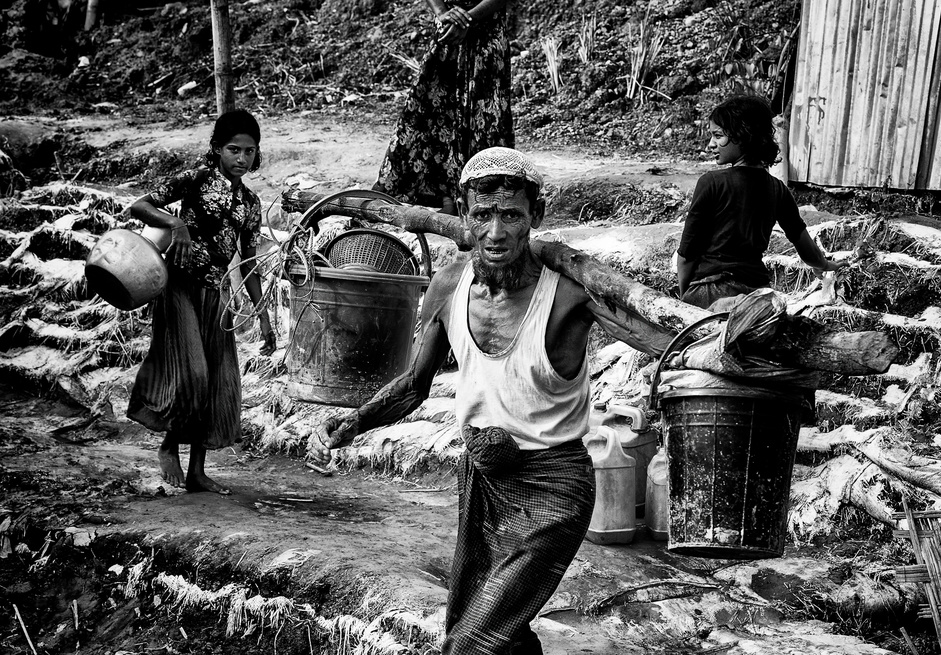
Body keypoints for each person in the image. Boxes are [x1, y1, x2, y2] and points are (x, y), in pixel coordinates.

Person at [310, 147, 662, 654]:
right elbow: (414, 384)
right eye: (482, 215)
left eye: (511, 216)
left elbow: (660, 342)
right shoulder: (450, 283)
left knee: (471, 644)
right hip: (482, 482)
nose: (496, 232)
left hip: (554, 489)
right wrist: (348, 426)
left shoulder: (567, 296)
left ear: (534, 218)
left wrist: (725, 344)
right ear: (464, 213)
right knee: (498, 632)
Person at [127, 109, 276, 495]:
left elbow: (248, 260)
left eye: (249, 151)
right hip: (179, 287)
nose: (241, 158)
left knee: (215, 382)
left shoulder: (250, 202)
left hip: (217, 295)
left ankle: (197, 471)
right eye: (233, 149)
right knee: (193, 371)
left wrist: (263, 318)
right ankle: (167, 445)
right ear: (216, 149)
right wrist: (175, 224)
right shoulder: (195, 179)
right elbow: (140, 205)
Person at [676, 94, 844, 311]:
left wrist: (684, 297)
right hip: (757, 292)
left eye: (718, 136)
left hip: (711, 290)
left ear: (743, 134)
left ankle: (725, 307)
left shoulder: (711, 182)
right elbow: (802, 242)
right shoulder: (777, 189)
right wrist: (823, 264)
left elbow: (687, 254)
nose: (711, 145)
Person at [372, 0, 515, 214]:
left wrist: (468, 19)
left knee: (482, 116)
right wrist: (442, 13)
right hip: (448, 30)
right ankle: (448, 197)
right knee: (433, 110)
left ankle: (478, 201)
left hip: (486, 30)